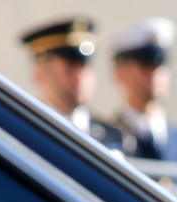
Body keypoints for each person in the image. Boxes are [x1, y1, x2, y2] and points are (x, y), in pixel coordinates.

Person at [108, 17, 177, 164]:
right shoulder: (106, 138)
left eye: (160, 64)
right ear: (119, 73)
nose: (155, 74)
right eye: (144, 65)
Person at [20, 16, 123, 151]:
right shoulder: (25, 131)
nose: (79, 76)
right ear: (40, 73)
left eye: (84, 66)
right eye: (69, 67)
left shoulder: (112, 135)